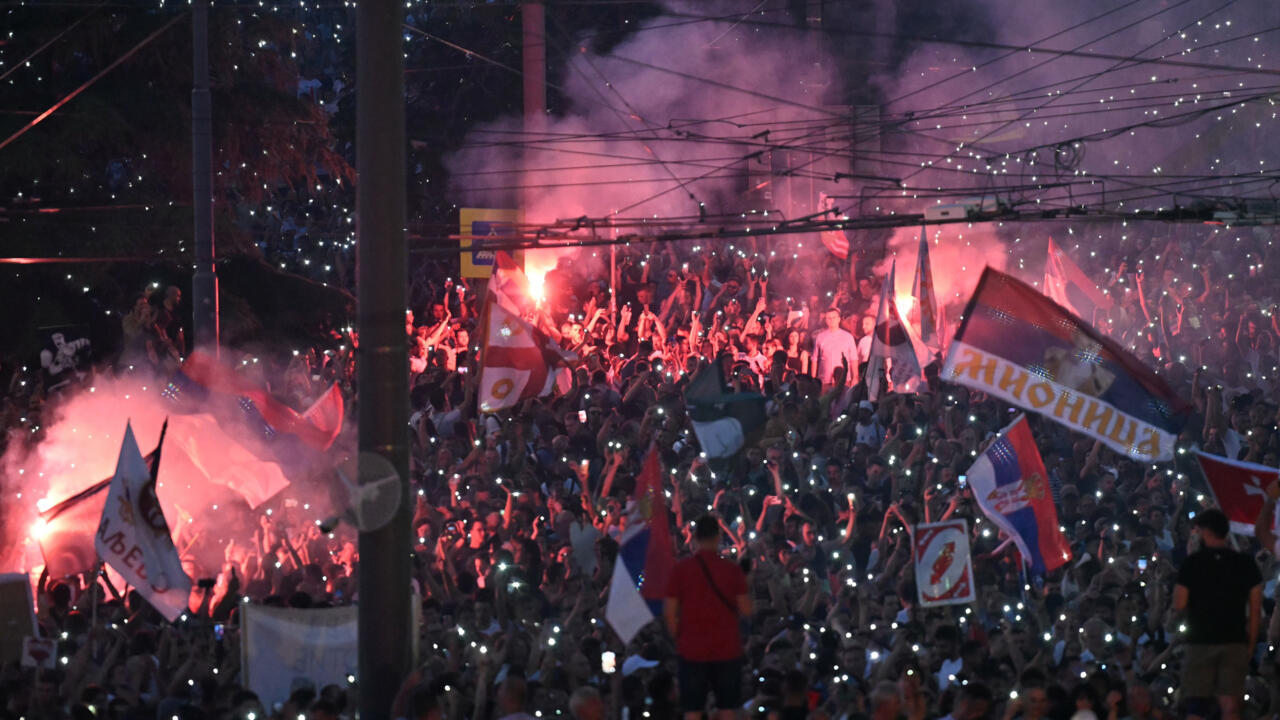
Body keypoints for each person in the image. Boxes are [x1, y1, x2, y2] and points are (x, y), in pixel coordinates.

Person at [1174, 508, 1262, 720]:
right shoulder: (1246, 563)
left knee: (1197, 704)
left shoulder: (1192, 564)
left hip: (1200, 642)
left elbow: (1179, 604)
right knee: (1231, 706)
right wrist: (1250, 645)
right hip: (1234, 641)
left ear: (1206, 532)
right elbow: (1256, 608)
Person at [664, 515, 751, 720]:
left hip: (692, 649)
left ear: (695, 537)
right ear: (719, 536)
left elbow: (669, 612)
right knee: (727, 708)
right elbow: (746, 609)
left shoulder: (681, 570)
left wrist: (680, 637)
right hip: (727, 648)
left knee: (692, 709)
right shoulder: (731, 570)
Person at [812, 307, 859, 389]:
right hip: (825, 379)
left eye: (834, 317)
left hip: (843, 379)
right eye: (829, 318)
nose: (831, 320)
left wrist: (855, 377)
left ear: (839, 319)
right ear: (826, 320)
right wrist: (813, 379)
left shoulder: (848, 337)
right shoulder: (820, 337)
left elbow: (854, 359)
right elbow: (815, 359)